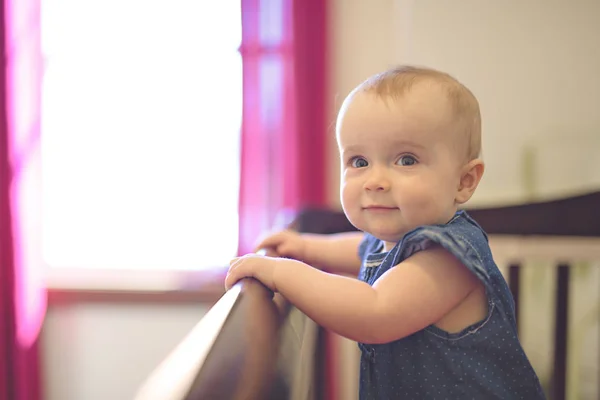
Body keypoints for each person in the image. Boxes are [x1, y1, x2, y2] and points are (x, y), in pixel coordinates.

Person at [225, 65, 545, 399]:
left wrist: (281, 272)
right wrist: (305, 246)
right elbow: (362, 250)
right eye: (359, 161)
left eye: (406, 160)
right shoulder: (397, 243)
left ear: (464, 182)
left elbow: (375, 312)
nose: (375, 181)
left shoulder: (448, 258)